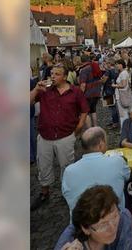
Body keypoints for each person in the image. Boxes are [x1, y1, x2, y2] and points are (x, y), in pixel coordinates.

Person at [30, 63, 89, 210]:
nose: (53, 77)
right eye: (52, 74)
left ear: (64, 76)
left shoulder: (75, 92)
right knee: (43, 166)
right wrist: (36, 89)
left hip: (66, 135)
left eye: (56, 74)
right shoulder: (45, 90)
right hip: (45, 136)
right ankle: (44, 193)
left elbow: (84, 110)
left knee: (67, 166)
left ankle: (66, 192)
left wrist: (79, 126)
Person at [62, 127, 130, 218]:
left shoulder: (68, 171)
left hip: (82, 223)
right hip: (114, 220)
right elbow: (128, 176)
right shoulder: (117, 162)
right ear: (101, 144)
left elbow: (66, 195)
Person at [54, 185, 132, 250]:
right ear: (86, 229)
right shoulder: (67, 245)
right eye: (103, 225)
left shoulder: (123, 217)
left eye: (115, 217)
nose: (113, 228)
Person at [78, 54, 103, 128]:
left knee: (85, 112)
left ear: (81, 61)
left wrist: (80, 95)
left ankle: (89, 130)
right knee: (93, 110)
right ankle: (95, 127)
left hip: (88, 94)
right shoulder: (94, 66)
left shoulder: (84, 70)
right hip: (96, 92)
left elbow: (83, 84)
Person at [112, 60, 132, 127]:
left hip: (121, 95)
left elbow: (123, 85)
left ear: (121, 65)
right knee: (125, 112)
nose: (116, 66)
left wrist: (115, 85)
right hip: (122, 94)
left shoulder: (123, 73)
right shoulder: (124, 72)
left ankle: (124, 128)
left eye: (117, 64)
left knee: (123, 113)